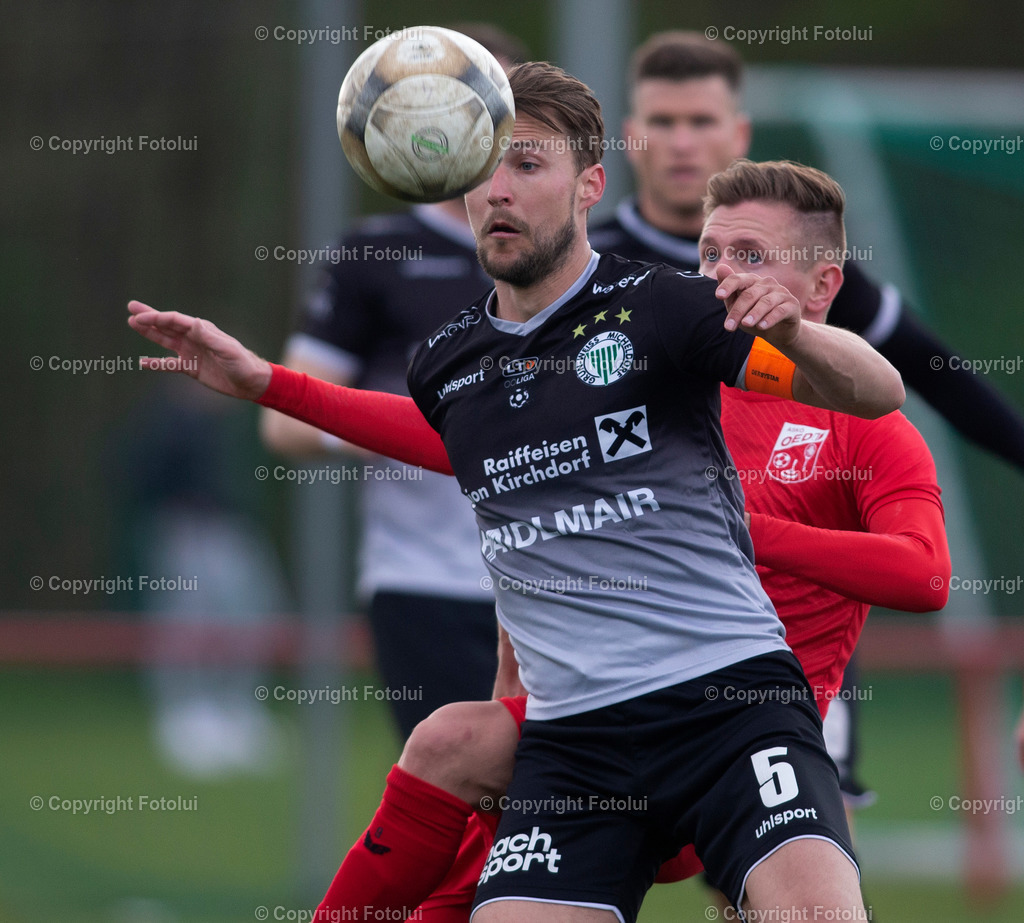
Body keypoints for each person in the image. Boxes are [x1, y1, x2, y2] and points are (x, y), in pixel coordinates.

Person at [128, 62, 906, 922]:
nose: (497, 189)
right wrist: (265, 380)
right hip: (576, 745)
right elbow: (500, 518)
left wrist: (795, 329)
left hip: (730, 708)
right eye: (481, 167)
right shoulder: (446, 365)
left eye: (528, 163)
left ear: (589, 186)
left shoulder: (666, 310)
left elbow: (875, 392)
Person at [292, 158, 951, 922]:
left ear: (823, 287)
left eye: (749, 257)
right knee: (455, 747)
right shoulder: (667, 373)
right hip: (604, 718)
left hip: (751, 715)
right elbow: (496, 465)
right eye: (708, 254)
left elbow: (926, 576)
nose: (719, 274)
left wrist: (751, 530)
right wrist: (275, 384)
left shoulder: (865, 428)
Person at [589, 28, 1024, 827]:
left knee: (786, 854)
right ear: (629, 137)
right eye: (664, 120)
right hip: (631, 617)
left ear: (738, 134)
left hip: (797, 637)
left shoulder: (809, 273)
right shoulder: (593, 271)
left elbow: (929, 375)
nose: (684, 143)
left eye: (703, 121)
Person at [260, 25, 527, 740]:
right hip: (428, 584)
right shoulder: (374, 254)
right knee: (464, 805)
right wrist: (437, 420)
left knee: (582, 813)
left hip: (568, 577)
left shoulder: (571, 252)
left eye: (492, 97)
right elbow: (286, 423)